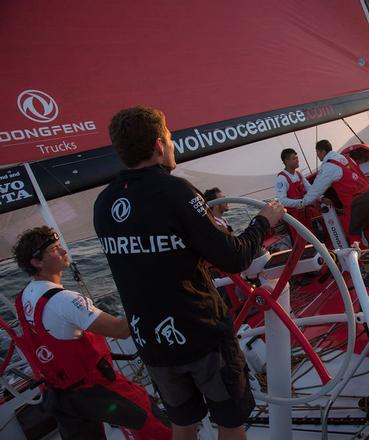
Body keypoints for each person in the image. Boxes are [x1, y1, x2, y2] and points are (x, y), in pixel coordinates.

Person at [93, 106, 285, 440]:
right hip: (201, 336)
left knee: (183, 424)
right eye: (170, 138)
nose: (172, 145)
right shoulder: (176, 192)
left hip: (152, 343)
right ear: (158, 144)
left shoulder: (104, 203)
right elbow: (235, 258)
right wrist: (263, 222)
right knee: (230, 422)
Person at [9, 226, 171, 439]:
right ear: (37, 262)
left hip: (59, 394)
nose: (64, 252)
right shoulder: (65, 300)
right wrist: (147, 294)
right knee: (155, 425)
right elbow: (121, 331)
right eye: (55, 250)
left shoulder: (23, 297)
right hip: (94, 387)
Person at [301, 140, 369, 248]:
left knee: (353, 235)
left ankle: (361, 261)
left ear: (322, 152)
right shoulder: (346, 158)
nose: (317, 156)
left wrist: (302, 202)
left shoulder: (328, 166)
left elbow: (314, 191)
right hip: (368, 195)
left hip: (355, 202)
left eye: (317, 153)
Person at [275, 148, 320, 239]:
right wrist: (301, 202)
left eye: (297, 157)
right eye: (294, 158)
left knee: (311, 237)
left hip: (305, 213)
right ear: (286, 161)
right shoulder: (282, 179)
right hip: (294, 218)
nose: (297, 160)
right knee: (300, 240)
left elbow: (310, 189)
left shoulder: (299, 174)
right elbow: (282, 200)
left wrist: (321, 197)